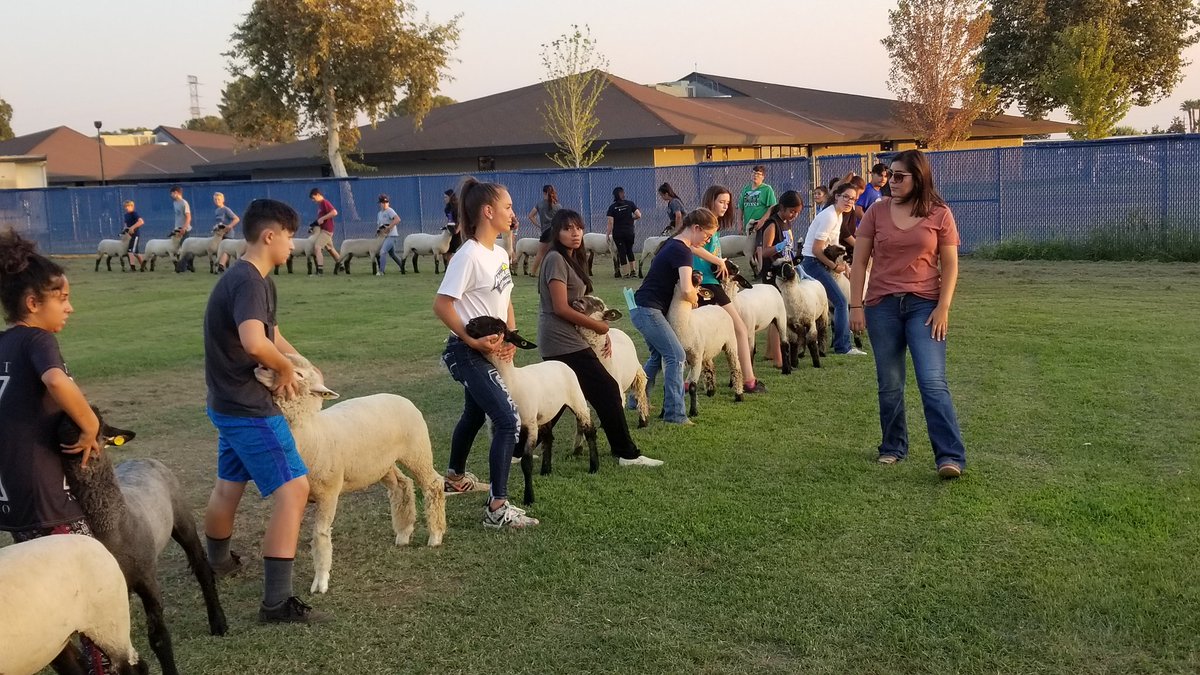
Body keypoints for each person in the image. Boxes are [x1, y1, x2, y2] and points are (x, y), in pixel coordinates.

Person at [201, 198, 328, 623]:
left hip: (226, 403)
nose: (295, 243)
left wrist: (304, 363)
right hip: (248, 406)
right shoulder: (250, 281)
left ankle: (215, 563)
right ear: (270, 235)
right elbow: (256, 342)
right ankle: (276, 602)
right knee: (294, 490)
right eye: (291, 235)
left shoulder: (253, 279)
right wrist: (284, 370)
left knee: (228, 485)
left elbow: (273, 334)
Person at [0, 229, 116, 672]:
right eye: (61, 297)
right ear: (33, 304)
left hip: (12, 498)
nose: (70, 307)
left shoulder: (3, 343)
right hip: (48, 497)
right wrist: (90, 426)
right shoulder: (37, 341)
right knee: (87, 580)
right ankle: (100, 667)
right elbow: (55, 381)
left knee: (40, 589)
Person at [850, 149, 967, 478]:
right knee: (889, 383)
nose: (891, 181)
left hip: (925, 306)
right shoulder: (876, 211)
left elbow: (951, 264)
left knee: (932, 381)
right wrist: (855, 305)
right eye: (890, 174)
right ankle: (892, 446)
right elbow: (859, 262)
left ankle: (949, 456)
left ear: (919, 178)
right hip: (881, 306)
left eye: (899, 176)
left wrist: (943, 307)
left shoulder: (939, 213)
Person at [433, 176, 538, 529]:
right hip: (467, 351)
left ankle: (454, 478)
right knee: (508, 420)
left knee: (474, 415)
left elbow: (504, 298)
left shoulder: (498, 253)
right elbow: (442, 304)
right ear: (488, 211)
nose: (513, 213)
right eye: (508, 207)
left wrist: (510, 336)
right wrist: (471, 339)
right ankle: (497, 507)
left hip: (490, 349)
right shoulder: (469, 255)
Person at [537, 209, 663, 467]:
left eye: (578, 228)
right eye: (567, 228)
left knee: (560, 399)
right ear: (556, 233)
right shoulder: (555, 260)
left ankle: (517, 449)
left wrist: (597, 330)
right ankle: (626, 453)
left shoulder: (571, 258)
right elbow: (560, 307)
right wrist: (601, 329)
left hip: (567, 338)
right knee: (606, 390)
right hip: (561, 340)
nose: (575, 233)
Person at [631, 208, 719, 426]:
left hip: (641, 307)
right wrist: (695, 299)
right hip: (649, 310)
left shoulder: (676, 243)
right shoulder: (682, 251)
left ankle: (634, 401)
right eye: (707, 236)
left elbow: (697, 251)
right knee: (676, 355)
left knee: (656, 358)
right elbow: (687, 290)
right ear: (696, 228)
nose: (707, 241)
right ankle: (675, 414)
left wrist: (720, 262)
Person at [689, 185, 770, 389]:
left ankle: (689, 382)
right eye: (721, 202)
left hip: (712, 282)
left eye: (727, 202)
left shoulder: (713, 224)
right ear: (711, 200)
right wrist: (718, 262)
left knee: (706, 334)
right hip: (705, 284)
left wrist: (719, 262)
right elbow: (691, 246)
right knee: (738, 329)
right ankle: (749, 381)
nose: (725, 206)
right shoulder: (703, 222)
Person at [800, 181, 867, 357]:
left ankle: (839, 342)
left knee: (838, 302)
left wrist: (844, 266)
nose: (849, 202)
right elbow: (816, 249)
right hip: (812, 263)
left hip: (819, 262)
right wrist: (835, 266)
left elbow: (834, 246)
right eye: (846, 197)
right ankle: (842, 346)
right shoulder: (829, 216)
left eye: (853, 199)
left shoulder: (838, 215)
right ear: (836, 196)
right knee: (841, 302)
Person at [755, 190, 805, 366]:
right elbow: (764, 251)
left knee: (776, 315)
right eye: (792, 211)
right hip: (772, 273)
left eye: (797, 212)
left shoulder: (786, 222)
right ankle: (778, 358)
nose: (795, 215)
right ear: (782, 208)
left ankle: (770, 352)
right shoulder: (772, 224)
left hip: (784, 270)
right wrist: (779, 246)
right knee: (778, 316)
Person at [606, 187, 641, 278]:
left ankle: (625, 273)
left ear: (614, 196)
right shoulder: (630, 204)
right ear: (623, 194)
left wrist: (607, 234)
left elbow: (610, 222)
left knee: (622, 252)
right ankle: (633, 271)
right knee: (630, 250)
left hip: (618, 233)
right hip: (629, 232)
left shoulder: (612, 207)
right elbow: (639, 215)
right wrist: (631, 219)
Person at [528, 184, 561, 276]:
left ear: (544, 193)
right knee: (555, 252)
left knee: (540, 253)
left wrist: (538, 225)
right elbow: (561, 218)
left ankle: (533, 272)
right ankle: (555, 272)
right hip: (555, 231)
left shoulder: (540, 204)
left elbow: (530, 216)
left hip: (545, 232)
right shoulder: (558, 206)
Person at [309, 188, 343, 275]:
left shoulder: (324, 202)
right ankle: (342, 265)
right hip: (323, 229)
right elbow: (320, 220)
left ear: (318, 195)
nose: (313, 200)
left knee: (317, 247)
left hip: (327, 230)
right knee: (330, 249)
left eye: (313, 198)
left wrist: (323, 218)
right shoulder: (320, 205)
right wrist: (312, 226)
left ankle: (320, 271)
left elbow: (334, 212)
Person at [375, 194, 404, 275]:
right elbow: (379, 225)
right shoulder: (379, 214)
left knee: (383, 251)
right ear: (380, 203)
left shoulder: (389, 210)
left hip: (392, 236)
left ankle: (381, 271)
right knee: (392, 254)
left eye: (386, 202)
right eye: (383, 202)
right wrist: (378, 231)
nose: (384, 204)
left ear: (388, 203)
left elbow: (397, 219)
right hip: (384, 236)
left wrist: (389, 227)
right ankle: (403, 267)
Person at [213, 192, 241, 273]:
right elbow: (219, 222)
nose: (217, 201)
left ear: (223, 200)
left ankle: (221, 265)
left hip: (228, 234)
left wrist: (229, 226)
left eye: (218, 199)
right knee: (220, 250)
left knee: (226, 250)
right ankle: (224, 266)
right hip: (220, 235)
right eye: (215, 199)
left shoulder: (226, 209)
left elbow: (236, 219)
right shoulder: (217, 211)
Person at [122, 200, 145, 271]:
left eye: (128, 206)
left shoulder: (134, 213)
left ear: (132, 206)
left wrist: (133, 227)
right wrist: (124, 230)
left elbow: (141, 222)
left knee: (130, 251)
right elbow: (126, 225)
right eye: (125, 206)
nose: (126, 208)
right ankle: (143, 266)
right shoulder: (126, 215)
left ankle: (133, 268)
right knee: (136, 253)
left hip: (135, 235)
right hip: (130, 236)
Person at [442, 189, 461, 265]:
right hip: (451, 230)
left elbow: (461, 220)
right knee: (446, 250)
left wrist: (458, 230)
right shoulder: (447, 208)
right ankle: (448, 267)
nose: (444, 199)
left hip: (458, 231)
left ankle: (454, 266)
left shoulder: (457, 207)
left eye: (446, 197)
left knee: (454, 250)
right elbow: (449, 219)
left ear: (451, 197)